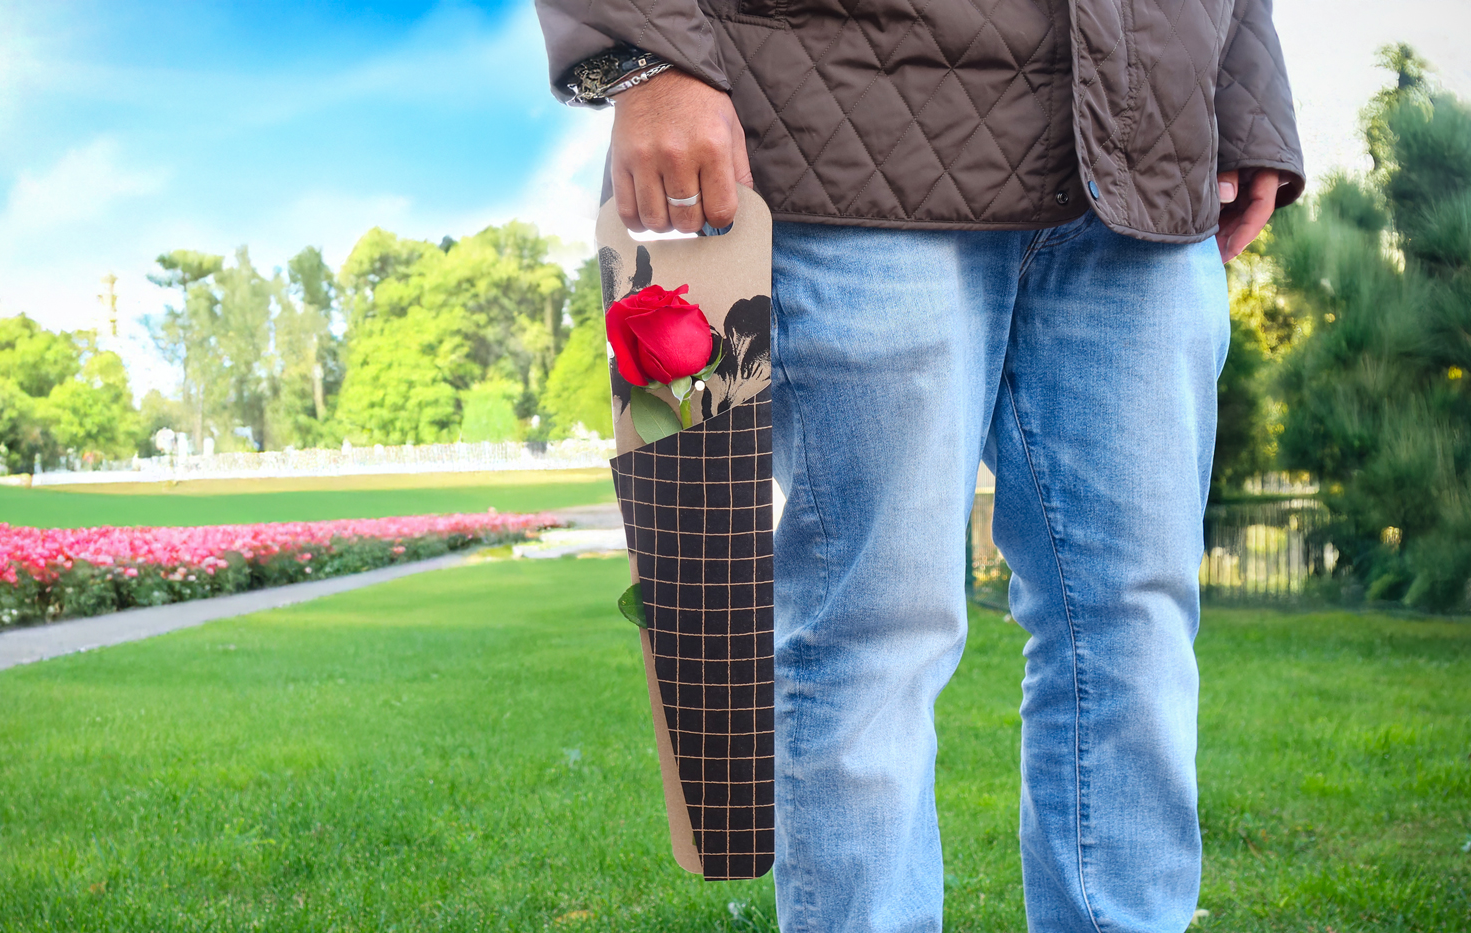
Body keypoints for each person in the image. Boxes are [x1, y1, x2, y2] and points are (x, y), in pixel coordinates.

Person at [538, 1, 1303, 929]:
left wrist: (1245, 89)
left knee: (1136, 623)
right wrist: (643, 59)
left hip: (1145, 152)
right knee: (876, 629)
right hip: (858, 119)